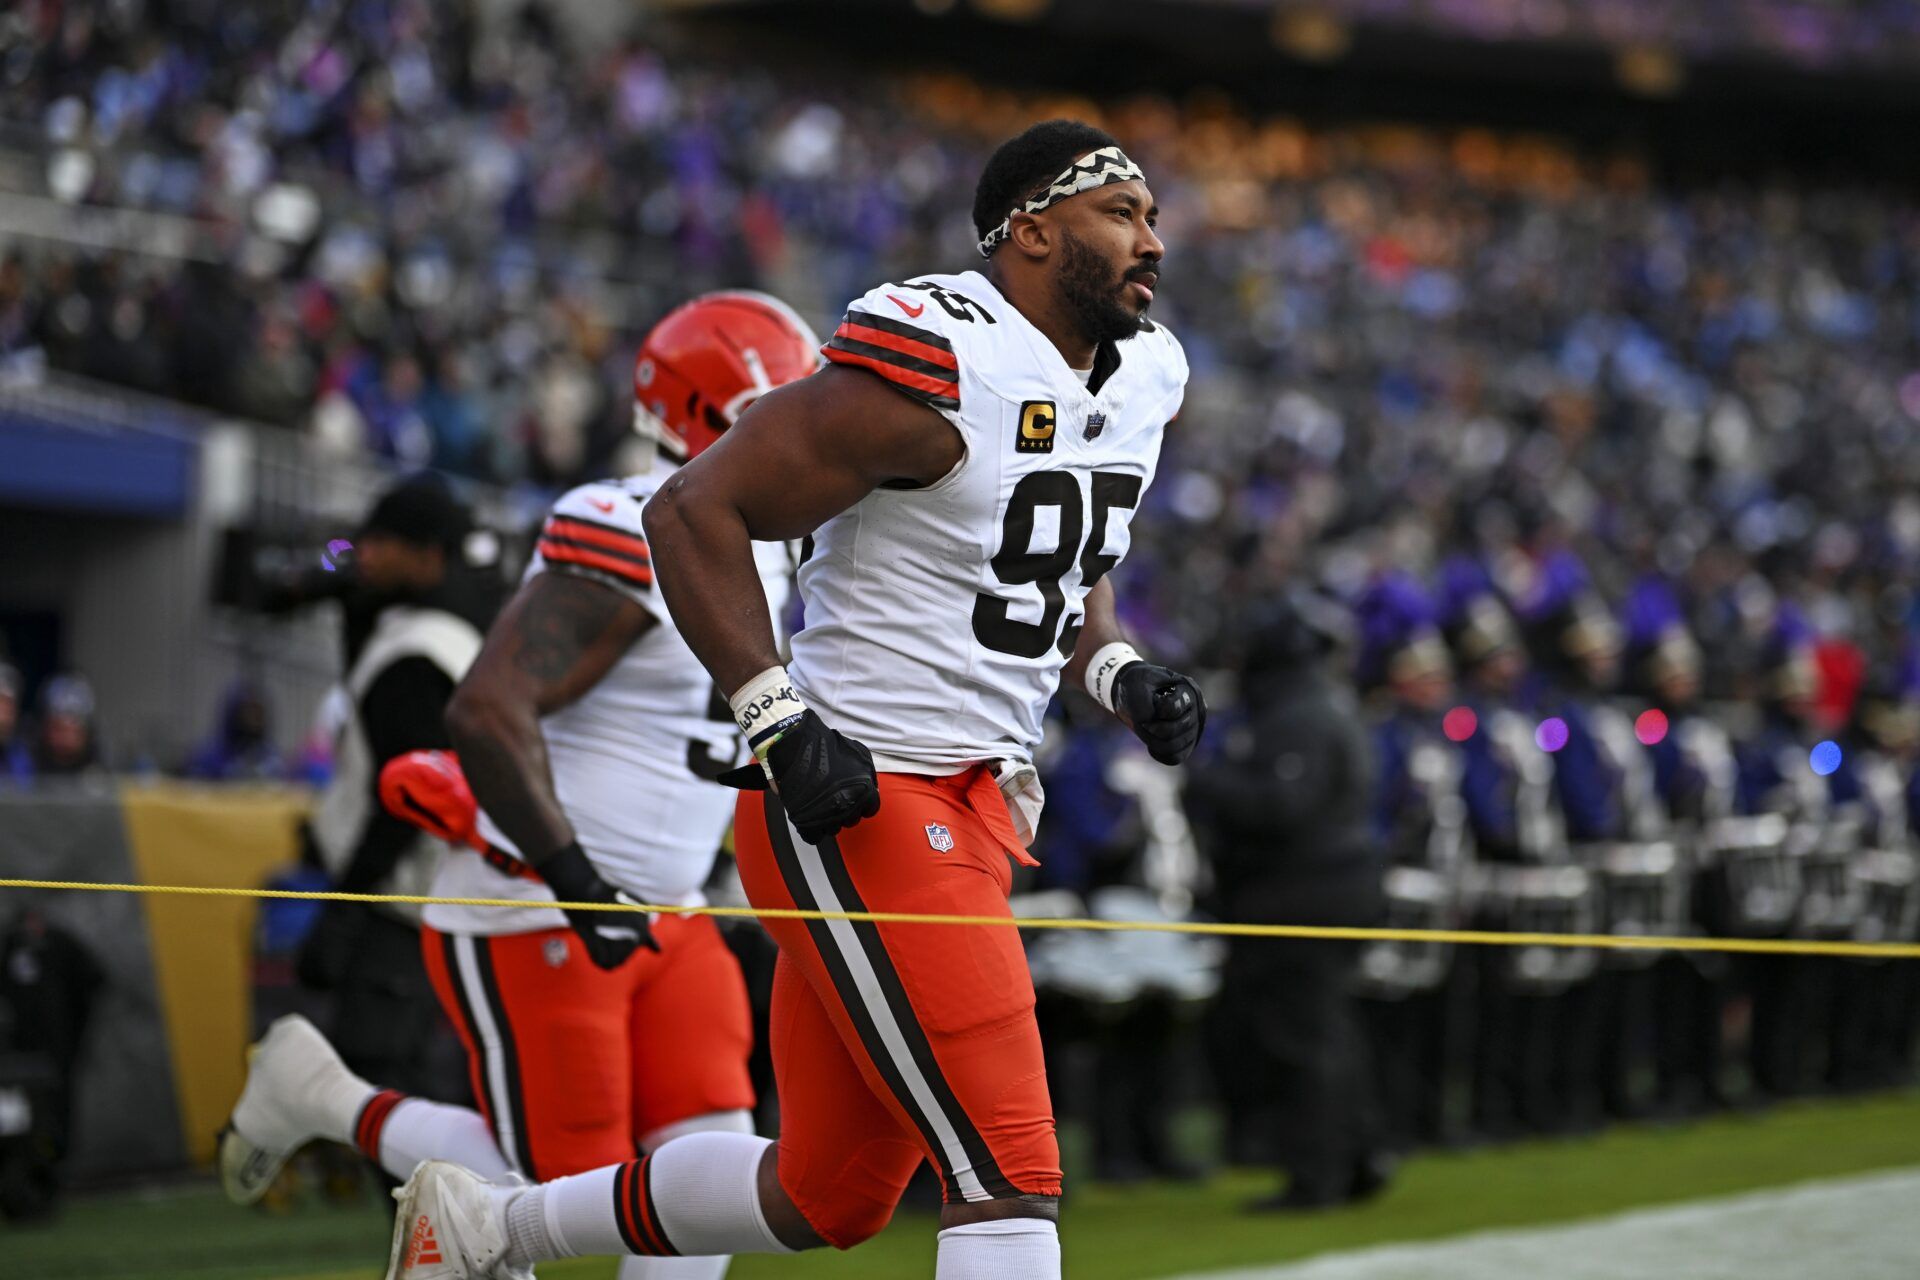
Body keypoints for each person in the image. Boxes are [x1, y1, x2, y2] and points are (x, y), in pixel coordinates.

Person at [384, 118, 1204, 1280]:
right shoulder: (943, 353)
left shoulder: (1145, 376)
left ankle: (482, 1226)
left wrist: (1118, 669)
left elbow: (1064, 544)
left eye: (1154, 216)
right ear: (1029, 230)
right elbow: (690, 511)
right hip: (866, 792)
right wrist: (777, 714)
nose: (1151, 240)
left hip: (978, 792)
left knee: (828, 1189)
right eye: (1121, 212)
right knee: (1007, 1166)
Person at [219, 292, 820, 1280]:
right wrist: (573, 875)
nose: (815, 433)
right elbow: (487, 708)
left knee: (710, 1172)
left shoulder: (774, 549)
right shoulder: (637, 524)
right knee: (561, 1185)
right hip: (540, 899)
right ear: (723, 411)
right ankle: (320, 1093)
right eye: (794, 405)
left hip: (670, 909)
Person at [291, 476, 502, 1123]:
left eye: (386, 542)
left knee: (385, 1071)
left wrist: (344, 906)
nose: (367, 555)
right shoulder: (457, 622)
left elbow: (405, 800)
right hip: (452, 888)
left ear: (430, 554)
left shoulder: (418, 651)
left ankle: (441, 1222)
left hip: (408, 894)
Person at [1189, 589, 1390, 1210]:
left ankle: (1318, 1176)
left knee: (1305, 1040)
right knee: (1330, 1031)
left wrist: (1202, 776)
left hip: (1303, 892)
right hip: (1333, 886)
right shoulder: (1319, 703)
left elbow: (1283, 808)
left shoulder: (1297, 714)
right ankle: (1357, 1158)